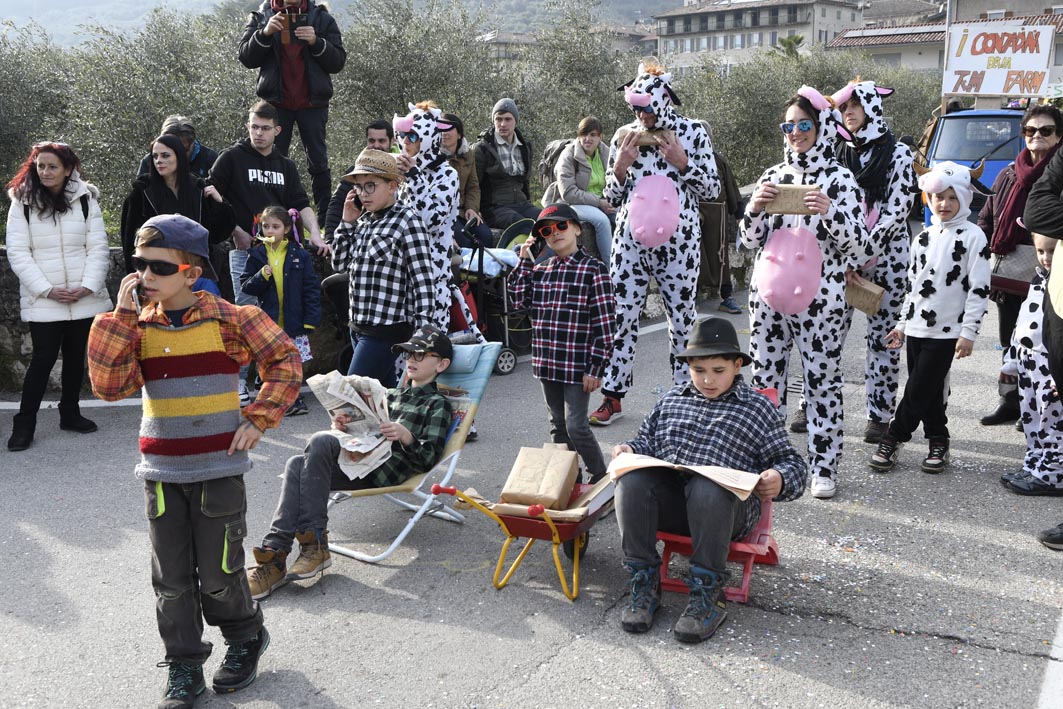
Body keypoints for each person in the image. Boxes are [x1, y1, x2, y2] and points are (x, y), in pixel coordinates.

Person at [86, 214, 301, 709]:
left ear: (190, 272)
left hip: (218, 469)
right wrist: (119, 318)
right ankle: (184, 667)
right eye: (139, 264)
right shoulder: (135, 326)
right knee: (171, 580)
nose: (145, 275)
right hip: (160, 473)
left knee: (221, 573)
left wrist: (258, 418)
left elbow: (286, 361)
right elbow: (109, 387)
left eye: (158, 266)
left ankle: (246, 637)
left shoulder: (232, 318)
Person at [612, 317, 806, 643]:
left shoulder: (757, 408)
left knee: (707, 486)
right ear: (688, 366)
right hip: (676, 507)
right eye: (699, 370)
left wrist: (779, 478)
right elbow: (644, 443)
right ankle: (644, 582)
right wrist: (628, 449)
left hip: (726, 511)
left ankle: (707, 594)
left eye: (718, 371)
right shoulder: (672, 400)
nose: (708, 380)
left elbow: (793, 464)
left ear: (737, 365)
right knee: (631, 479)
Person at [244, 325, 453, 599]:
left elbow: (428, 458)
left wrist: (406, 436)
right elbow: (364, 433)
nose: (412, 359)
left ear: (442, 364)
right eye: (409, 354)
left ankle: (307, 548)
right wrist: (343, 426)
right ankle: (276, 556)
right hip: (362, 460)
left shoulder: (437, 404)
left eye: (421, 354)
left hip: (389, 468)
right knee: (297, 463)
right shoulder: (389, 395)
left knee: (316, 445)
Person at [740, 86, 872, 499]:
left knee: (822, 383)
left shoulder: (840, 178)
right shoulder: (770, 176)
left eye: (803, 125)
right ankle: (769, 462)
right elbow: (747, 242)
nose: (795, 133)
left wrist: (829, 211)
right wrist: (755, 209)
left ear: (820, 128)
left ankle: (824, 466)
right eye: (789, 126)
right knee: (765, 382)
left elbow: (861, 249)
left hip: (821, 304)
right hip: (767, 302)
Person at [589, 59, 720, 428]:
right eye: (635, 108)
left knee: (681, 319)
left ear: (663, 101)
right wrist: (620, 166)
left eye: (645, 108)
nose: (640, 115)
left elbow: (712, 188)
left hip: (679, 245)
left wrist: (682, 163)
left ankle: (684, 395)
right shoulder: (623, 136)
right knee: (620, 317)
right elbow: (612, 195)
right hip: (630, 243)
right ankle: (612, 396)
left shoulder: (692, 133)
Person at [870, 162, 991, 474]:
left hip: (949, 331)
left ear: (964, 199)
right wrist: (901, 325)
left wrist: (970, 332)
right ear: (928, 198)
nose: (944, 204)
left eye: (952, 198)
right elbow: (913, 286)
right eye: (938, 197)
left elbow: (980, 288)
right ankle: (939, 439)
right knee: (929, 390)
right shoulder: (922, 237)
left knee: (918, 387)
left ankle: (894, 437)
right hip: (917, 328)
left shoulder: (974, 236)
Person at [206, 100, 327, 404]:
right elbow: (210, 193)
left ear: (277, 130)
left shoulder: (285, 165)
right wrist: (235, 230)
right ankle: (238, 382)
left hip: (282, 255)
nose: (258, 133)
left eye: (264, 128)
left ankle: (274, 381)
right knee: (246, 317)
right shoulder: (231, 158)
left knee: (277, 320)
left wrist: (316, 234)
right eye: (253, 127)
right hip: (245, 252)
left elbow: (301, 203)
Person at [827, 80, 919, 443]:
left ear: (872, 108)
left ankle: (879, 415)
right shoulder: (836, 151)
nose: (848, 113)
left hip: (888, 257)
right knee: (829, 333)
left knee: (883, 339)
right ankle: (813, 401)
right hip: (843, 257)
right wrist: (847, 251)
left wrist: (863, 250)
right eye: (844, 108)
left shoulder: (898, 155)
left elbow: (898, 209)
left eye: (855, 106)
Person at [5, 142, 113, 452]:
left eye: (52, 166)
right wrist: (47, 289)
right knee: (43, 359)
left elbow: (97, 247)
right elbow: (18, 252)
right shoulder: (21, 203)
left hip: (83, 296)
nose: (45, 171)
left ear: (68, 169)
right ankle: (24, 425)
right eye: (40, 166)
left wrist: (88, 286)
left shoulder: (85, 201)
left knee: (77, 357)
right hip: (44, 299)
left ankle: (70, 413)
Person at [508, 204, 615, 483]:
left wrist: (596, 367)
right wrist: (525, 260)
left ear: (577, 228)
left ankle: (601, 476)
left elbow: (604, 324)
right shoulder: (541, 270)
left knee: (576, 426)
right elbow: (517, 302)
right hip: (547, 363)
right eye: (547, 230)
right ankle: (569, 479)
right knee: (557, 427)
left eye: (561, 226)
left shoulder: (594, 270)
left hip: (578, 365)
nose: (554, 233)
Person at [977, 104, 1063, 427]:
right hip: (1010, 274)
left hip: (1050, 275)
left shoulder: (1058, 178)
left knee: (1046, 347)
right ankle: (1011, 401)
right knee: (1010, 340)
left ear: (1059, 137)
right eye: (1030, 130)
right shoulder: (1009, 173)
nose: (1037, 136)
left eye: (1046, 130)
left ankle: (1041, 407)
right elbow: (988, 217)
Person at [330, 148, 440, 387]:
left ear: (392, 186)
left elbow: (422, 280)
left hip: (387, 328)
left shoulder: (408, 220)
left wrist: (422, 333)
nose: (363, 193)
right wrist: (346, 222)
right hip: (358, 325)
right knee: (384, 400)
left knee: (351, 395)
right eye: (359, 187)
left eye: (370, 185)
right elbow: (339, 264)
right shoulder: (363, 221)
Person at [239, 0, 346, 224]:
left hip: (312, 103)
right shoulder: (261, 16)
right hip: (276, 105)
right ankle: (271, 220)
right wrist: (265, 33)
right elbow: (246, 58)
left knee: (318, 163)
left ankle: (326, 221)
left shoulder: (321, 18)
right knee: (270, 162)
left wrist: (317, 42)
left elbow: (338, 62)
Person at [240, 206, 322, 417]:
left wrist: (311, 318)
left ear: (286, 229)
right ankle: (272, 394)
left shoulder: (299, 254)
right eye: (265, 226)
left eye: (275, 227)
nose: (269, 231)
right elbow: (246, 286)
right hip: (268, 322)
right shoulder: (256, 254)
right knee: (269, 361)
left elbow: (311, 287)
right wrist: (261, 275)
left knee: (294, 362)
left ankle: (293, 398)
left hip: (294, 321)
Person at [999, 231, 1063, 496]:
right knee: (1031, 417)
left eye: (1052, 251)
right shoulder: (1038, 279)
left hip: (1050, 363)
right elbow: (1023, 321)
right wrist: (1012, 360)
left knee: (1052, 421)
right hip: (1029, 359)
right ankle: (1035, 464)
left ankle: (1054, 474)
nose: (1046, 257)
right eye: (1041, 251)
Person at [121, 133, 235, 275]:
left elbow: (217, 235)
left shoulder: (197, 188)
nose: (159, 161)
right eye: (155, 156)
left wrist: (219, 203)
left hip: (195, 270)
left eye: (165, 155)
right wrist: (136, 276)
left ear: (179, 157)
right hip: (158, 271)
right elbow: (129, 241)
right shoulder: (141, 193)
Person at [393, 101, 463, 333]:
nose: (405, 142)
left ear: (428, 137)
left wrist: (414, 176)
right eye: (403, 135)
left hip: (431, 282)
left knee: (428, 357)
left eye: (412, 137)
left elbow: (431, 221)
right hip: (401, 281)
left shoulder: (448, 175)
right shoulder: (401, 173)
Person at [543, 116, 616, 266]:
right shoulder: (568, 155)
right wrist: (599, 202)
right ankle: (611, 271)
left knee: (625, 216)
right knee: (601, 221)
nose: (588, 139)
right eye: (584, 134)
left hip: (601, 200)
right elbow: (568, 193)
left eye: (593, 135)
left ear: (600, 137)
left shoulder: (606, 153)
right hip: (572, 202)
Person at [323, 119, 397, 241]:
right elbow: (337, 203)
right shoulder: (356, 171)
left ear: (392, 141)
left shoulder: (402, 168)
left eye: (382, 141)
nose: (376, 145)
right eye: (372, 141)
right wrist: (330, 239)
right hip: (363, 235)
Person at [474, 97, 541, 229]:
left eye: (507, 119)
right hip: (495, 208)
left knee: (548, 221)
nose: (503, 124)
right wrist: (475, 210)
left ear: (515, 121)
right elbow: (474, 185)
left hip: (522, 205)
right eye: (498, 119)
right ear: (493, 121)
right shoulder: (482, 148)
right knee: (523, 225)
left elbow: (525, 182)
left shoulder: (524, 147)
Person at [439, 111, 494, 248]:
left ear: (459, 134)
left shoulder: (468, 154)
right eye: (440, 129)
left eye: (449, 129)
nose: (444, 133)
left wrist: (472, 208)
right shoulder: (433, 157)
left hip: (463, 210)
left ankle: (481, 269)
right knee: (465, 242)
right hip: (443, 213)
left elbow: (473, 186)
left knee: (486, 236)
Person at [137, 115, 219, 180]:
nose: (176, 157)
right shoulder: (149, 162)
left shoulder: (211, 160)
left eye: (182, 151)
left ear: (192, 143)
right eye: (170, 152)